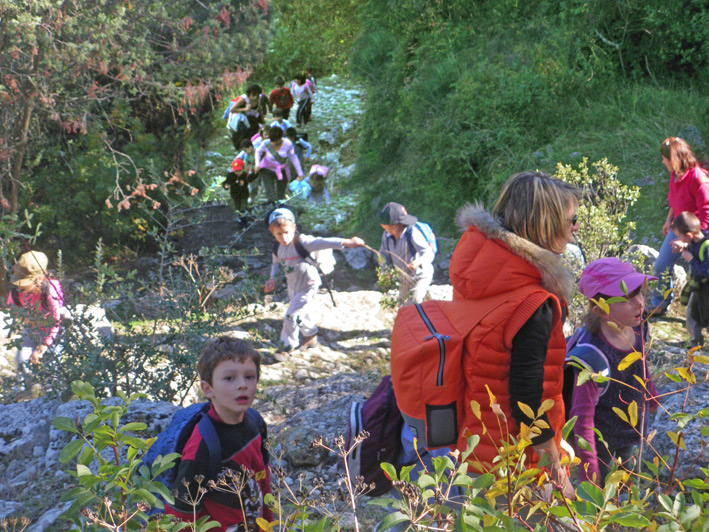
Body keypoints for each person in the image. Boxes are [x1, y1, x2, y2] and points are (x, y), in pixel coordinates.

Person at [449, 171, 580, 499]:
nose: (576, 227)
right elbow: (526, 400)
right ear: (544, 223)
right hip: (517, 464)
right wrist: (556, 469)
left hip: (476, 446)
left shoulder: (484, 277)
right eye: (571, 219)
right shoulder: (532, 302)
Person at [165, 335, 272, 531]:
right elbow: (181, 513)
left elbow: (264, 481)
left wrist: (272, 524)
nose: (242, 385)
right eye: (229, 378)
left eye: (250, 376)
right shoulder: (203, 444)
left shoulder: (255, 423)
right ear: (208, 389)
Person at [570, 257, 660, 485]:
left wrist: (651, 391)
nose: (639, 303)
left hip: (630, 432)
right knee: (599, 504)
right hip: (599, 446)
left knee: (626, 489)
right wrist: (589, 473)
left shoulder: (638, 327)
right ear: (600, 310)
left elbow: (640, 362)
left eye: (639, 292)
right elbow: (581, 420)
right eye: (626, 299)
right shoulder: (591, 357)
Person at [263, 208, 364, 359]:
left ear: (294, 228)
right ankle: (310, 336)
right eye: (279, 234)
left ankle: (286, 346)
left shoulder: (303, 241)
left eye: (286, 232)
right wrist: (272, 279)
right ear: (272, 233)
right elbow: (276, 264)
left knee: (291, 315)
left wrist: (348, 242)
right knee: (302, 312)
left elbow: (323, 242)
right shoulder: (277, 248)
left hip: (308, 284)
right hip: (293, 285)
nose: (284, 237)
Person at [647, 137, 709, 315]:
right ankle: (660, 303)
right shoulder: (675, 175)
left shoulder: (698, 179)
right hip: (679, 228)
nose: (662, 161)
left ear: (673, 159)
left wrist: (688, 242)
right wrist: (669, 220)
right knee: (661, 265)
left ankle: (695, 318)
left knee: (698, 276)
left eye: (664, 158)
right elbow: (674, 201)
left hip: (698, 235)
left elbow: (706, 214)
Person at [7, 251, 65, 369]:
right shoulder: (17, 291)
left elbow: (55, 322)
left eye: (24, 283)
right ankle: (24, 386)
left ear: (39, 279)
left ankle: (51, 387)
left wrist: (43, 346)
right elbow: (12, 308)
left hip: (52, 332)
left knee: (52, 365)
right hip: (31, 328)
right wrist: (26, 320)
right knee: (21, 361)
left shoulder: (50, 291)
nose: (20, 287)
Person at [378, 202, 434, 306]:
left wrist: (418, 261)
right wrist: (384, 272)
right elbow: (383, 255)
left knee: (415, 301)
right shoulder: (386, 236)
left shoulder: (412, 233)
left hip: (421, 275)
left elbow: (427, 252)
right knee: (402, 304)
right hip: (404, 278)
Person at [670, 211, 709, 347]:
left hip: (706, 289)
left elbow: (706, 271)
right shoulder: (694, 241)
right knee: (692, 315)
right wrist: (684, 246)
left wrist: (691, 259)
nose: (677, 239)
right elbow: (692, 245)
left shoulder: (707, 246)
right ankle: (695, 342)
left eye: (679, 237)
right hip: (697, 289)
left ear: (689, 235)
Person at [254, 127, 303, 202]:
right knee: (271, 194)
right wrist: (257, 164)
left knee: (281, 194)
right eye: (272, 141)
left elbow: (293, 157)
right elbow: (257, 151)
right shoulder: (266, 143)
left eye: (275, 141)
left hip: (282, 170)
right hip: (267, 170)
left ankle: (280, 208)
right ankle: (272, 207)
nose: (273, 143)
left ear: (281, 138)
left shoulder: (288, 144)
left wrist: (300, 173)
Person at [227, 84, 268, 151]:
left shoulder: (259, 99)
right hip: (241, 121)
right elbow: (232, 110)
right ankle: (241, 149)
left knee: (253, 133)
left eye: (257, 95)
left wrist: (261, 119)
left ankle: (250, 148)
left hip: (251, 119)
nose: (255, 98)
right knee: (241, 135)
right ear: (249, 94)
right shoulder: (244, 99)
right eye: (253, 95)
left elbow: (259, 109)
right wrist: (245, 109)